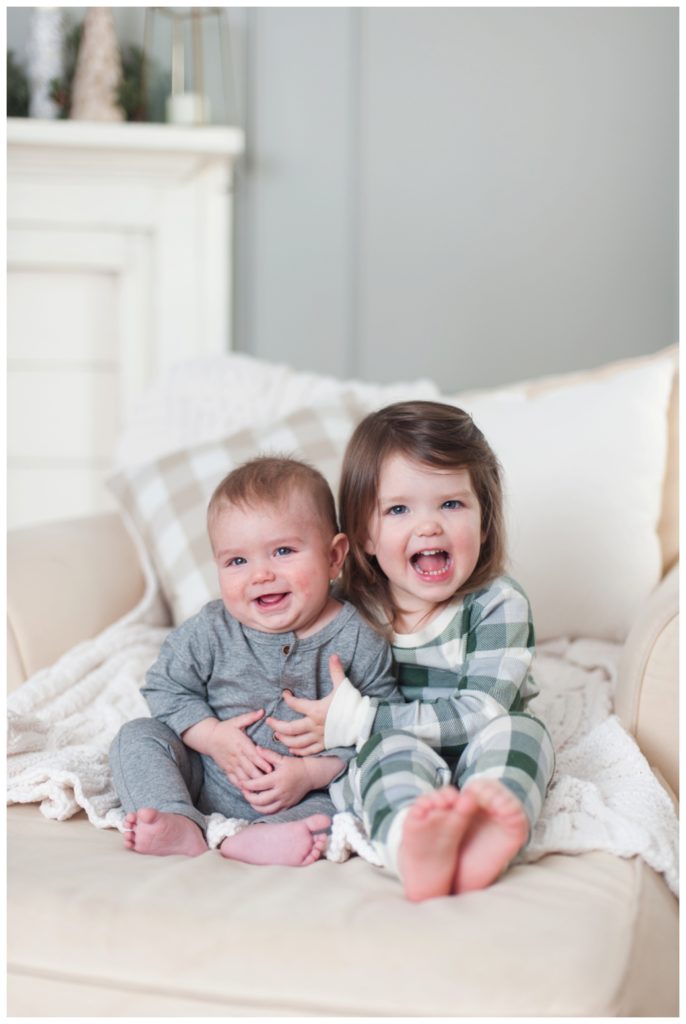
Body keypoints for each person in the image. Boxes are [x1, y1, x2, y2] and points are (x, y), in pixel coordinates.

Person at [268, 401, 556, 900]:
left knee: (523, 733)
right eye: (399, 509)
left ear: (485, 522)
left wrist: (362, 721)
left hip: (482, 737)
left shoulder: (496, 603)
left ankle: (489, 826)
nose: (429, 527)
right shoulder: (349, 610)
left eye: (451, 504)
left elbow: (484, 711)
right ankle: (412, 843)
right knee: (382, 758)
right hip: (401, 746)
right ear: (365, 535)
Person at [109, 455, 401, 867]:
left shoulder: (359, 637)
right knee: (136, 737)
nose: (260, 574)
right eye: (237, 561)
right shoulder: (212, 629)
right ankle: (178, 820)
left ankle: (264, 839)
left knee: (357, 796)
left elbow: (383, 727)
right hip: (209, 773)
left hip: (304, 791)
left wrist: (312, 774)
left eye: (282, 551)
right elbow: (165, 686)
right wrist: (212, 738)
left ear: (334, 557)